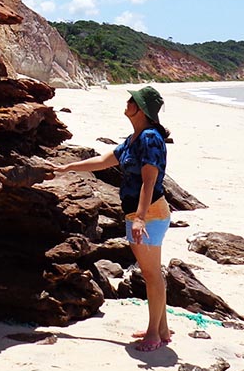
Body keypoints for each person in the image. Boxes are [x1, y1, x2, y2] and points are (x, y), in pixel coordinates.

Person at [53, 86, 171, 351]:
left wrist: (140, 218)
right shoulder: (135, 138)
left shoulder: (150, 138)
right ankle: (161, 328)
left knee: (152, 275)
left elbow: (149, 180)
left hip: (149, 212)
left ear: (141, 109)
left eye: (132, 100)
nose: (127, 103)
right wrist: (68, 167)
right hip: (139, 212)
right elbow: (104, 160)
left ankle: (154, 333)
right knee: (153, 273)